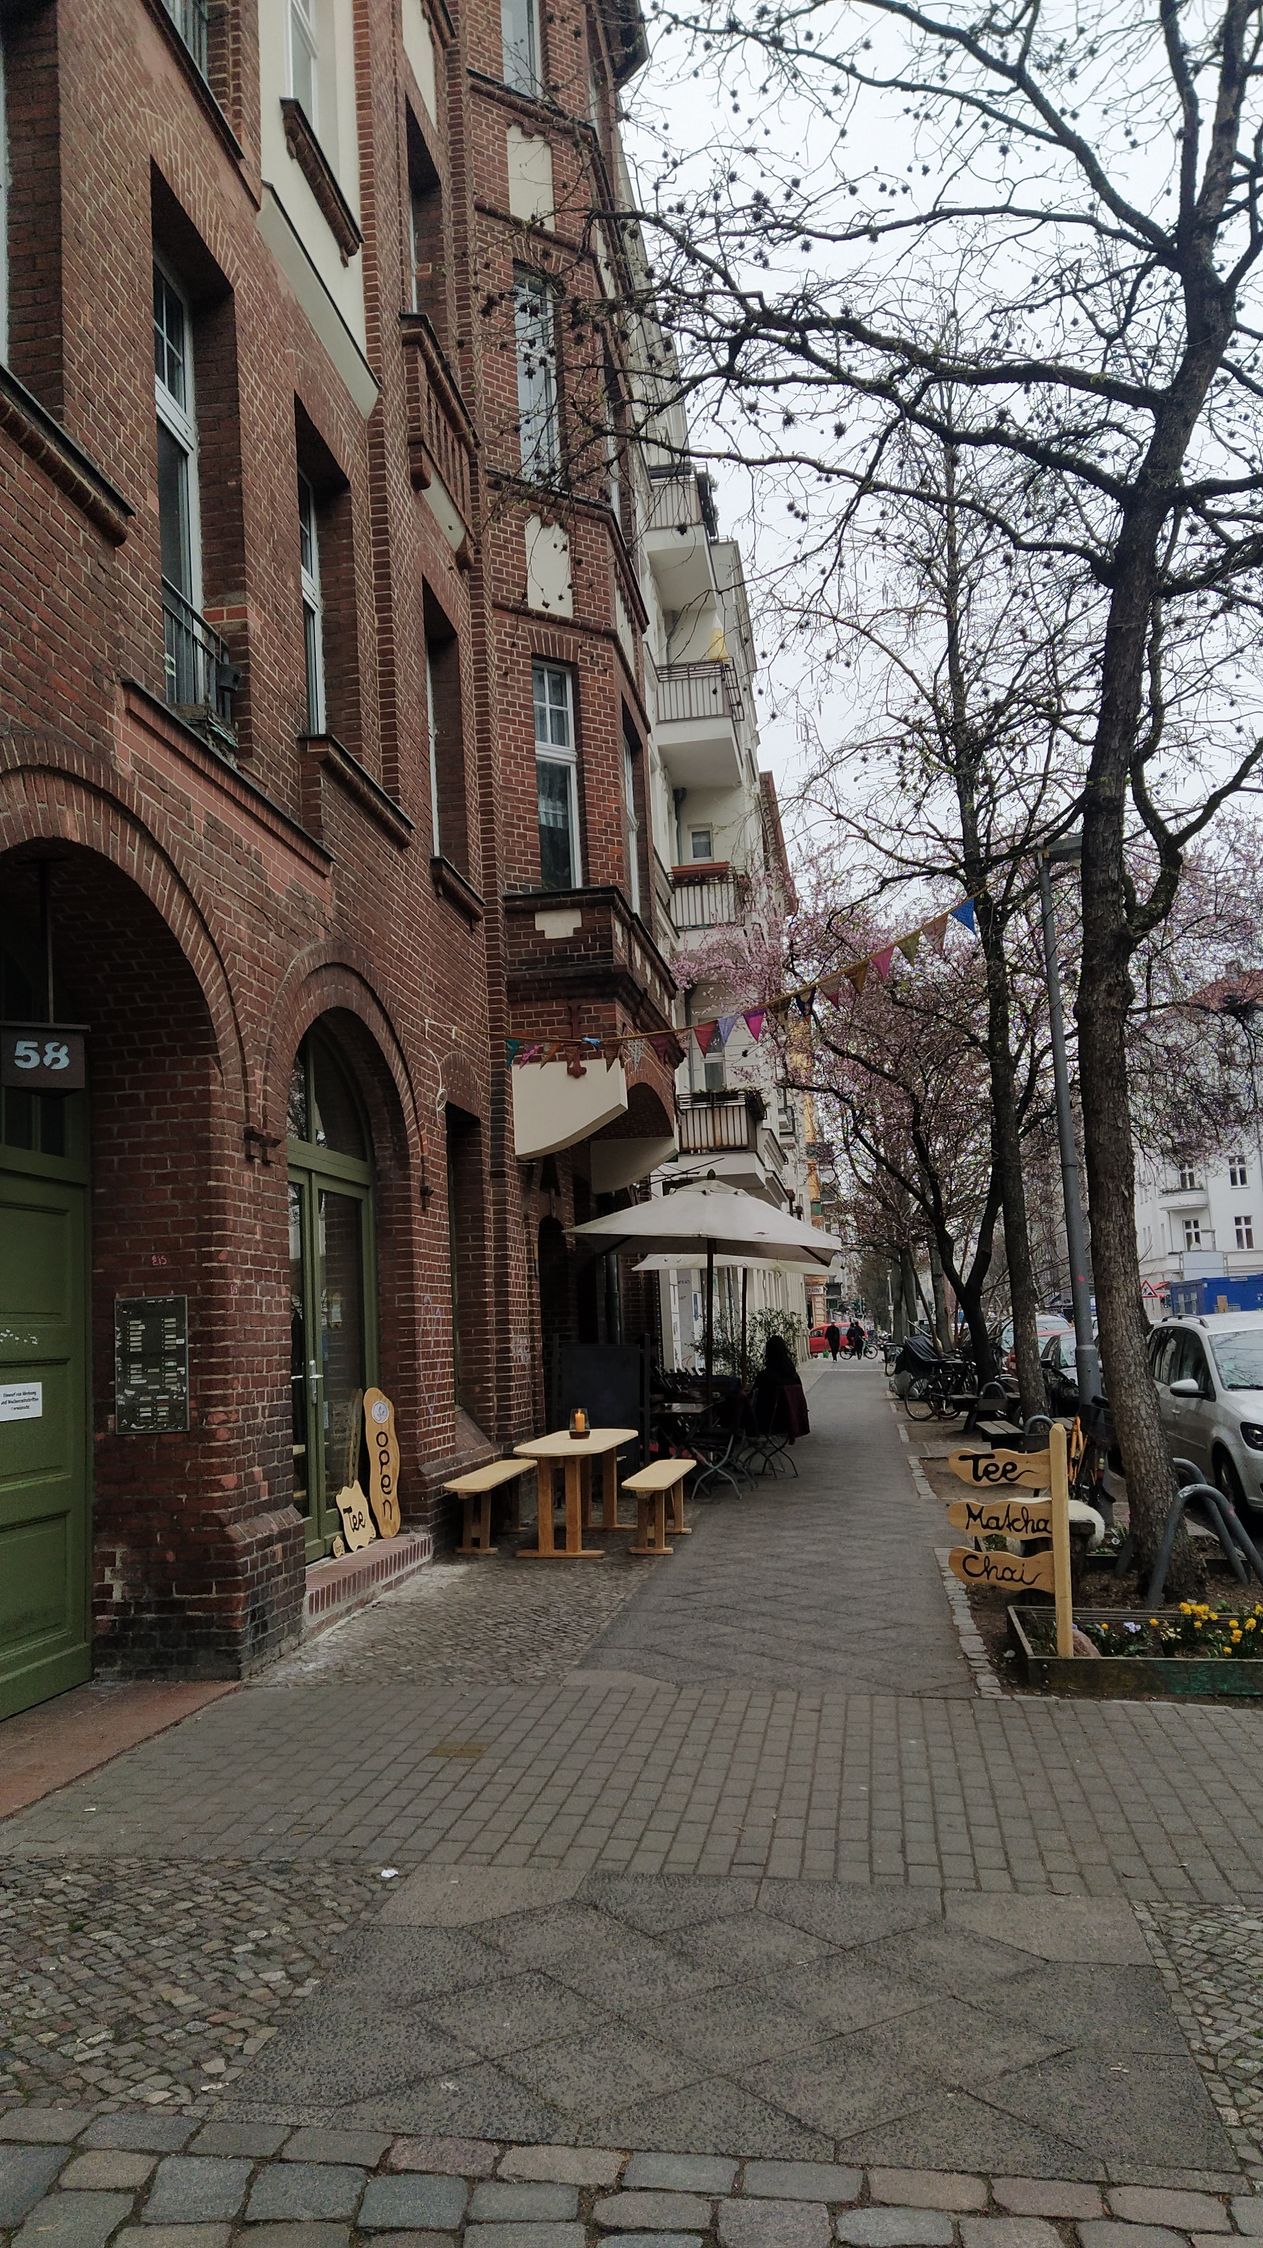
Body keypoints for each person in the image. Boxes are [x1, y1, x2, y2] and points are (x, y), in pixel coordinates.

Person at [754, 1331, 810, 1438]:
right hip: (790, 1421)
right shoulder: (793, 1375)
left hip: (768, 1422)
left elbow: (755, 1398)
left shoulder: (765, 1376)